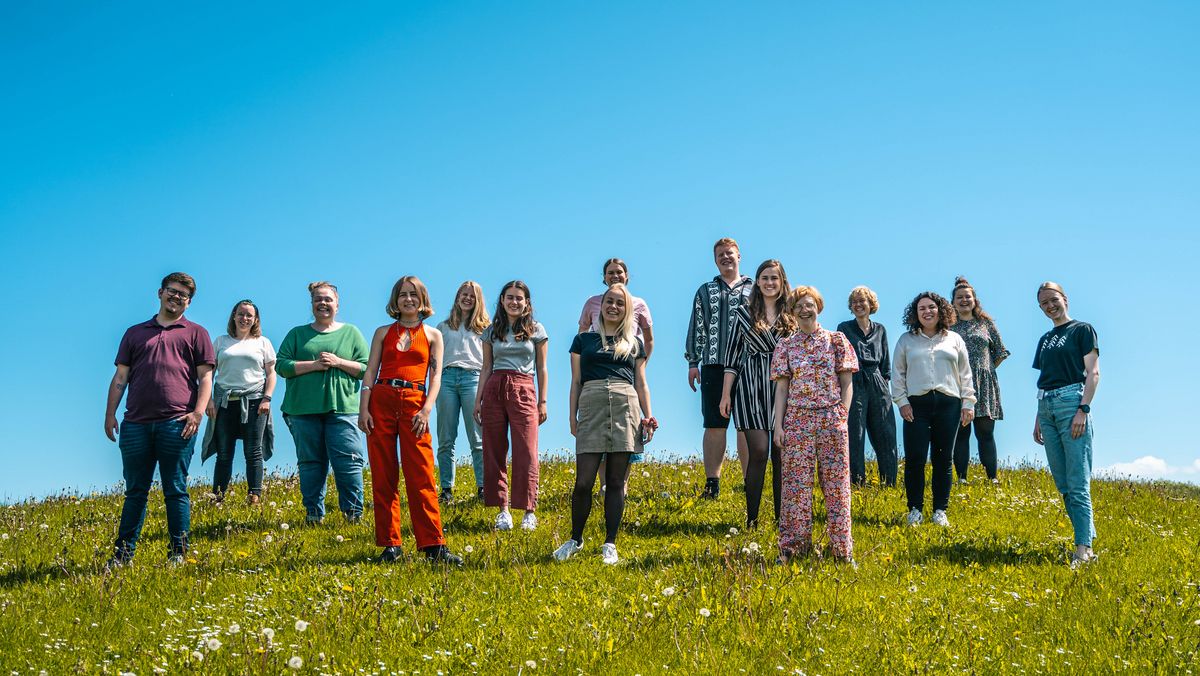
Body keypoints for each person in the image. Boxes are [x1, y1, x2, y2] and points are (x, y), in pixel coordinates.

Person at [103, 272, 214, 568]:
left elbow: (206, 378)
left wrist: (198, 413)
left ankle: (178, 553)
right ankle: (122, 556)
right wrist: (110, 414)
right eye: (172, 291)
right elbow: (121, 377)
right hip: (135, 424)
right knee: (135, 492)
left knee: (175, 489)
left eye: (183, 295)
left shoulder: (197, 333)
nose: (176, 297)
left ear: (188, 303)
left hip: (177, 423)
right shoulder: (135, 333)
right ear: (160, 293)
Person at [359, 277, 462, 565]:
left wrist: (427, 409)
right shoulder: (382, 332)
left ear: (422, 299)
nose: (408, 299)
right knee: (383, 474)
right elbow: (370, 371)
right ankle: (390, 545)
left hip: (416, 403)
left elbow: (436, 376)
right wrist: (363, 409)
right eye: (403, 295)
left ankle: (433, 545)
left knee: (421, 474)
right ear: (395, 300)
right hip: (381, 399)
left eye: (413, 294)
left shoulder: (432, 335)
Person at [554, 283, 655, 564]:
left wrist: (648, 416)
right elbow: (575, 381)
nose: (613, 306)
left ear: (627, 309)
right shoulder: (583, 341)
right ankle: (575, 539)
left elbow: (641, 383)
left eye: (620, 303)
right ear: (602, 304)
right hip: (591, 403)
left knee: (615, 481)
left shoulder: (634, 344)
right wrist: (572, 416)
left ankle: (610, 543)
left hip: (625, 406)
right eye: (610, 301)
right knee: (583, 481)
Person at [770, 286, 857, 564]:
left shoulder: (836, 340)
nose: (804, 310)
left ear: (818, 306)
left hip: (831, 419)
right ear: (792, 312)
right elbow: (781, 389)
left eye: (809, 304)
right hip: (797, 420)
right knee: (795, 487)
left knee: (837, 486)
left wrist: (842, 415)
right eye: (798, 306)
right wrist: (778, 426)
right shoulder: (785, 346)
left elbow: (847, 381)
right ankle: (793, 548)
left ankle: (841, 550)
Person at [275, 281, 369, 525]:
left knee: (349, 462)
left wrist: (338, 362)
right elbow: (281, 366)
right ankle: (314, 515)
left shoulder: (351, 333)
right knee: (311, 464)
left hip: (343, 409)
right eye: (318, 299)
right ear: (312, 304)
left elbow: (366, 369)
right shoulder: (297, 334)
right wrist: (314, 365)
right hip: (302, 410)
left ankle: (353, 515)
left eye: (328, 299)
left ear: (337, 304)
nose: (323, 303)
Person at [718, 259, 796, 528]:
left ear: (782, 282)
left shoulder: (792, 315)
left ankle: (782, 519)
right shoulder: (743, 313)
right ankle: (752, 518)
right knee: (759, 452)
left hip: (785, 388)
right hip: (751, 387)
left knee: (780, 454)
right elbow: (731, 358)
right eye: (765, 278)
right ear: (758, 282)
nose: (769, 282)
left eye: (774, 278)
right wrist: (726, 394)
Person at [892, 292, 976, 528]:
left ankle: (940, 510)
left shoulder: (954, 339)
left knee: (943, 458)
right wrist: (902, 401)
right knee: (915, 458)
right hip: (916, 406)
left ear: (940, 310)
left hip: (949, 404)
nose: (927, 312)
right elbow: (898, 373)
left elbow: (965, 373)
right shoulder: (906, 340)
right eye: (922, 308)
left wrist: (968, 403)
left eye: (931, 307)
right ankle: (915, 510)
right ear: (915, 314)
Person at [1032, 282, 1100, 568]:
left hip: (1071, 403)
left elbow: (1093, 373)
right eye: (1044, 303)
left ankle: (1082, 550)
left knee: (1077, 482)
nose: (1050, 306)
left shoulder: (1082, 330)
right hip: (1046, 407)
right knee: (1063, 484)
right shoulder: (1045, 339)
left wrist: (1083, 410)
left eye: (1054, 300)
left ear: (1065, 299)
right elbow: (1045, 379)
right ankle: (1087, 540)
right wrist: (1038, 417)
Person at [474, 280, 549, 531]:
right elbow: (486, 367)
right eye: (510, 297)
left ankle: (528, 510)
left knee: (526, 450)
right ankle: (503, 510)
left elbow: (542, 368)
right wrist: (478, 400)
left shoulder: (536, 330)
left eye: (519, 298)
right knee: (494, 449)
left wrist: (542, 401)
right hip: (494, 387)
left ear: (527, 303)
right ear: (502, 300)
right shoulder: (491, 331)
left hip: (524, 387)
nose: (514, 302)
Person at [578, 258, 655, 493]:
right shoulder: (593, 302)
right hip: (598, 370)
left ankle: (620, 486)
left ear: (627, 276)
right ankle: (604, 486)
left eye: (619, 272)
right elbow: (582, 332)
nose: (615, 276)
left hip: (626, 368)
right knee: (599, 432)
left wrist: (639, 363)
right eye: (610, 272)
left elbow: (649, 338)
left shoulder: (639, 304)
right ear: (604, 277)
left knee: (625, 430)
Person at [685, 237, 753, 499]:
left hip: (747, 364)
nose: (725, 257)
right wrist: (693, 362)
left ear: (739, 256)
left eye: (729, 253)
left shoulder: (754, 288)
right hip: (713, 363)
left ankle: (751, 481)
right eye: (720, 255)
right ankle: (712, 483)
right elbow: (697, 327)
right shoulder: (706, 290)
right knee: (714, 423)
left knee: (747, 425)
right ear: (715, 261)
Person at [202, 300, 276, 504]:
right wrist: (208, 400)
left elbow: (271, 374)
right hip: (225, 402)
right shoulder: (221, 341)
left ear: (255, 319)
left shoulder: (263, 342)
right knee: (224, 453)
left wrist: (267, 398)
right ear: (234, 316)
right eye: (241, 314)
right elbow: (209, 373)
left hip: (254, 401)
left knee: (253, 451)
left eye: (249, 315)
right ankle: (217, 497)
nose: (245, 318)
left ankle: (254, 496)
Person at [949, 277, 1010, 484]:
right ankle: (962, 478)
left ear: (974, 300)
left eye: (968, 297)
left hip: (984, 384)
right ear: (953, 302)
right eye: (959, 297)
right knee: (961, 432)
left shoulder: (986, 324)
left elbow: (1000, 352)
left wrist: (985, 371)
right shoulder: (948, 326)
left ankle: (992, 478)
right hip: (957, 384)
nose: (964, 300)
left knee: (985, 432)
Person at [836, 286, 899, 487]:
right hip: (854, 380)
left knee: (885, 432)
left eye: (862, 301)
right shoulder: (844, 328)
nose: (858, 305)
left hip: (878, 381)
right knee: (855, 433)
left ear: (871, 304)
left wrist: (882, 386)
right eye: (854, 302)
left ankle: (889, 482)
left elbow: (885, 364)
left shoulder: (880, 329)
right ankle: (857, 483)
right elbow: (840, 358)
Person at [435, 281, 490, 503]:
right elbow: (433, 360)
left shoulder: (485, 328)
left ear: (478, 301)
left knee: (477, 436)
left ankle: (483, 487)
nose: (467, 298)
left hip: (473, 378)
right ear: (457, 297)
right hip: (447, 378)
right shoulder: (442, 327)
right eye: (464, 294)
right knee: (446, 436)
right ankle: (446, 489)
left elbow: (490, 361)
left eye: (472, 296)